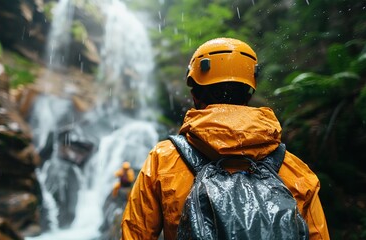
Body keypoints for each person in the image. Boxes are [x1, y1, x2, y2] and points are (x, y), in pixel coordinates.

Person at [121, 37, 330, 239]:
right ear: (249, 95)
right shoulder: (296, 171)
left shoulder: (163, 159)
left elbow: (135, 234)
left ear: (195, 95)